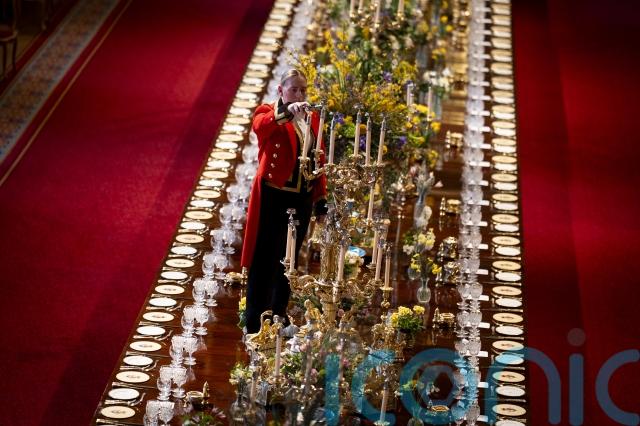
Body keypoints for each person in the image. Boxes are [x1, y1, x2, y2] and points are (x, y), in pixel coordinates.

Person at [241, 69, 327, 334]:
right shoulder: (268, 112)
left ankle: (279, 314)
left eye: (303, 90)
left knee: (289, 260)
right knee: (265, 258)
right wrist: (286, 112)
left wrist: (320, 198)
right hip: (274, 196)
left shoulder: (312, 118)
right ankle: (254, 320)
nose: (299, 95)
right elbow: (260, 126)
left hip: (301, 198)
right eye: (294, 89)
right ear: (281, 90)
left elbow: (319, 158)